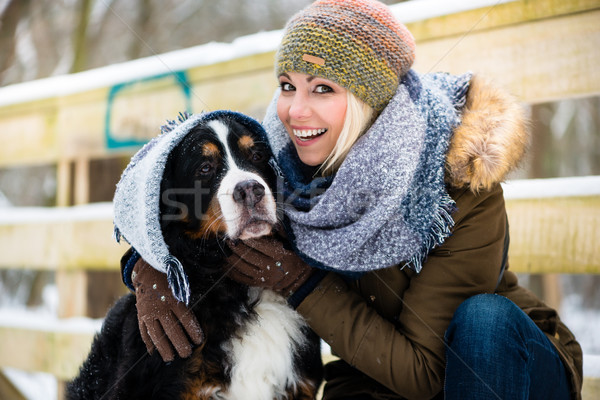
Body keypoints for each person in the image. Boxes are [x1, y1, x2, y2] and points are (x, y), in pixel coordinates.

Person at [121, 0, 583, 398]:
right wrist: (148, 266)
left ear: (368, 99)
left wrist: (301, 282)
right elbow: (183, 196)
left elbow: (424, 373)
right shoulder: (281, 162)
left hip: (497, 370)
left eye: (322, 88)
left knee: (485, 322)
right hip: (371, 381)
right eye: (288, 85)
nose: (296, 111)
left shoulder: (456, 183)